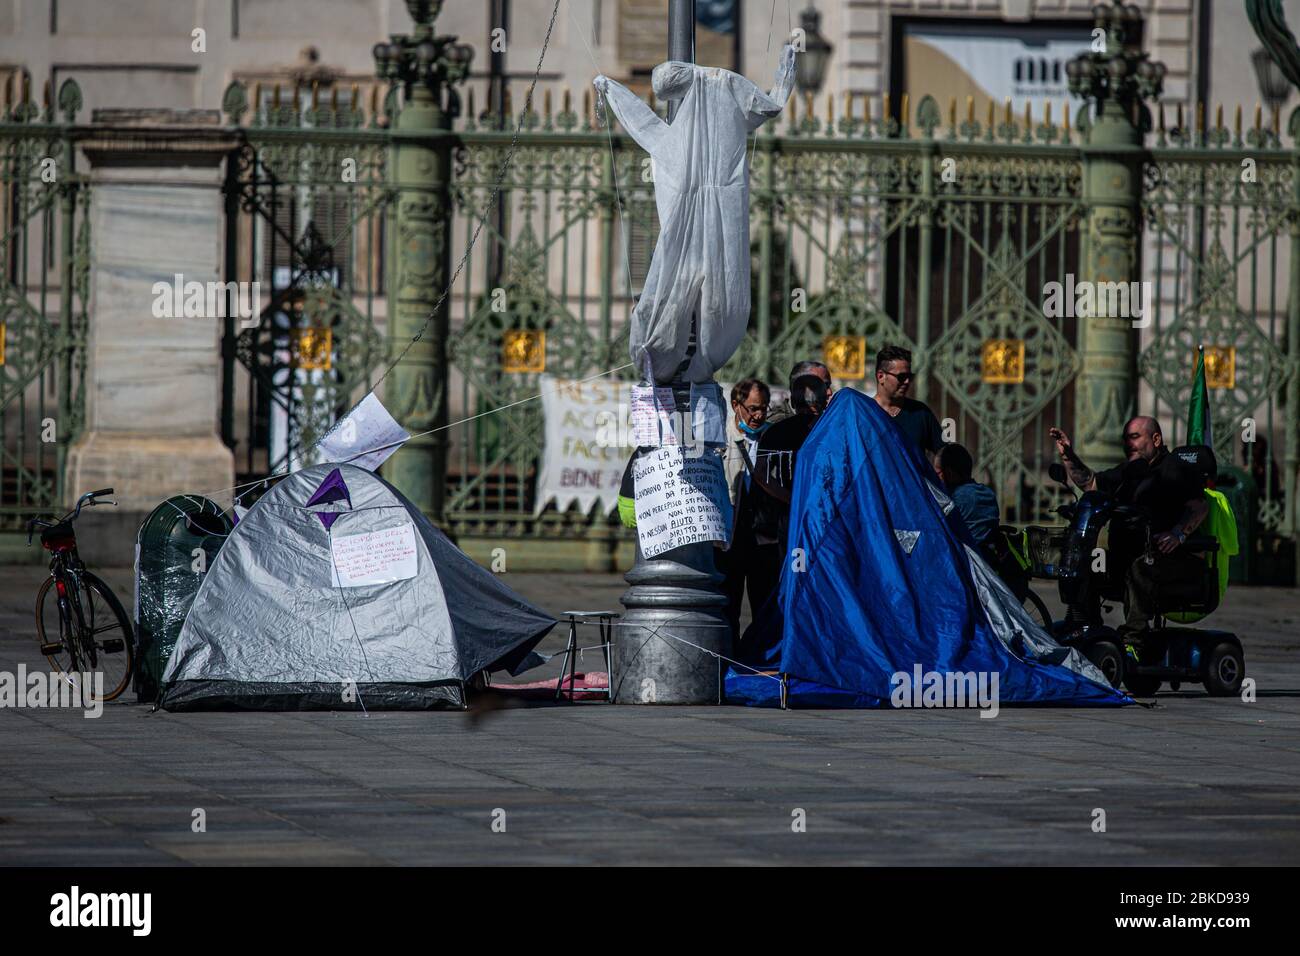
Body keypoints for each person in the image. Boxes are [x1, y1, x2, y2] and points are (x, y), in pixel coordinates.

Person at [1049, 417, 1209, 655]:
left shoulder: (1174, 468)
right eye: (1126, 439)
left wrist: (1178, 534)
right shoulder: (1131, 470)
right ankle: (1088, 630)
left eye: (1135, 437)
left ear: (1156, 439)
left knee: (1141, 567)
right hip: (1130, 556)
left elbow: (1199, 505)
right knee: (1088, 564)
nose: (1128, 444)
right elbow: (1091, 483)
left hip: (1174, 559)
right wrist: (1068, 455)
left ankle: (1133, 642)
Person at [736, 361, 831, 665]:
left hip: (783, 526)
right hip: (811, 525)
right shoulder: (827, 431)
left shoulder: (776, 433)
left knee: (782, 593)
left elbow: (763, 475)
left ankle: (773, 654)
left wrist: (790, 497)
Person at [719, 379, 783, 640]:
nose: (758, 415)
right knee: (727, 605)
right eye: (753, 408)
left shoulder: (773, 436)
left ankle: (762, 661)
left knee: (765, 605)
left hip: (763, 536)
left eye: (764, 408)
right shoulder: (720, 436)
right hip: (729, 537)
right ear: (736, 405)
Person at [873, 345, 944, 461]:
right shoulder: (865, 413)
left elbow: (943, 451)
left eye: (909, 376)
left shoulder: (920, 412)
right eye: (901, 377)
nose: (907, 382)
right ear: (881, 376)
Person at [933, 443, 999, 549]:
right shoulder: (988, 494)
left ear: (949, 473)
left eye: (937, 473)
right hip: (990, 559)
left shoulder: (954, 501)